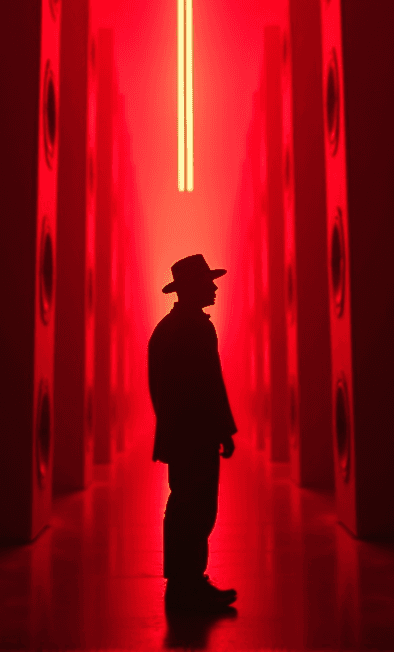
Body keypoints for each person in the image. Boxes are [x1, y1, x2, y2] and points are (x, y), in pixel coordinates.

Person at [148, 254, 238, 612]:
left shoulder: (165, 328)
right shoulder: (198, 328)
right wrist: (223, 430)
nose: (214, 287)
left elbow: (161, 387)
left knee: (182, 504)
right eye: (208, 282)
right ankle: (190, 585)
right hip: (197, 435)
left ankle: (181, 580)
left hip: (179, 434)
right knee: (198, 507)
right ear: (192, 288)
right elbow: (210, 385)